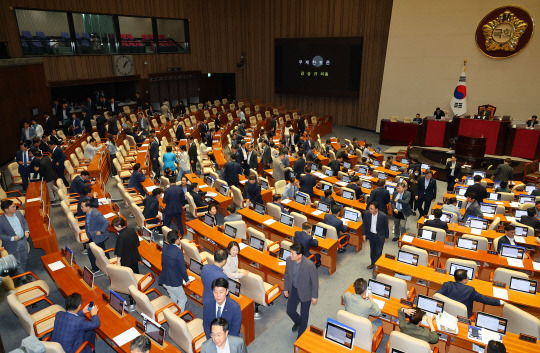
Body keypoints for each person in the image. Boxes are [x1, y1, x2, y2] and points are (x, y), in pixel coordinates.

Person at [284, 242, 319, 338]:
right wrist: (286, 288)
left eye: (292, 253)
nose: (290, 255)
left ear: (299, 255)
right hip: (294, 289)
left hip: (306, 292)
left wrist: (314, 296)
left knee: (304, 315)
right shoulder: (289, 260)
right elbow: (287, 275)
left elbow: (315, 282)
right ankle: (299, 322)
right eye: (290, 252)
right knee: (290, 311)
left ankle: (301, 335)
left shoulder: (310, 265)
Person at [436, 269, 503, 317]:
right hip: (462, 318)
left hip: (446, 313)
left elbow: (436, 295)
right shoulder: (470, 290)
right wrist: (500, 302)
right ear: (465, 280)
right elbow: (484, 299)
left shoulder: (447, 285)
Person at [158, 230, 192, 311]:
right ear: (176, 240)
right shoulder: (178, 252)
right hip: (174, 282)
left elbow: (163, 263)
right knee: (183, 299)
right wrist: (187, 280)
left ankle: (173, 313)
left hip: (165, 280)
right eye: (179, 237)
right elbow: (182, 268)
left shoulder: (165, 248)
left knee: (173, 297)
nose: (180, 238)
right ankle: (178, 318)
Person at [0, 200, 30, 277]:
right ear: (6, 210)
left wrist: (26, 231)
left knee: (24, 258)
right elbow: (0, 235)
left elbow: (24, 222)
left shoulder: (18, 213)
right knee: (17, 261)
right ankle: (23, 277)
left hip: (23, 240)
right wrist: (12, 238)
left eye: (14, 206)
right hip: (11, 244)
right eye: (12, 207)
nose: (15, 208)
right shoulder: (1, 221)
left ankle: (22, 273)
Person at [81, 200, 110, 276]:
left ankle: (95, 268)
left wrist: (101, 231)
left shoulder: (96, 214)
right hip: (92, 235)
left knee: (91, 252)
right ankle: (109, 262)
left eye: (82, 207)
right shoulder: (88, 212)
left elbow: (106, 222)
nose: (81, 208)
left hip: (98, 236)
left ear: (88, 207)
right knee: (103, 249)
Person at [362, 201, 389, 269]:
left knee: (378, 252)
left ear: (376, 209)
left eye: (372, 209)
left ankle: (377, 266)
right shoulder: (367, 213)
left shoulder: (383, 216)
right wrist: (364, 234)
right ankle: (373, 263)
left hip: (380, 236)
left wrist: (386, 236)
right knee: (373, 251)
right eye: (369, 208)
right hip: (371, 235)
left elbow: (386, 227)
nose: (370, 210)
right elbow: (364, 225)